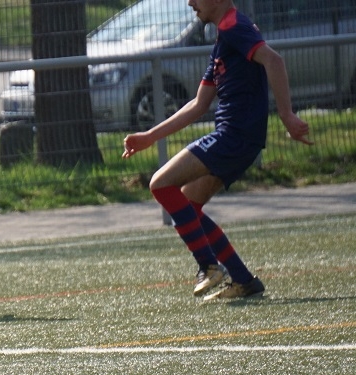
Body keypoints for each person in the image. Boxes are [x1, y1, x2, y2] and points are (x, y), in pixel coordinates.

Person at [122, 0, 312, 301]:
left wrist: (287, 115)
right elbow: (199, 104)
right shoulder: (225, 36)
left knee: (160, 184)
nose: (190, 2)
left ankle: (208, 265)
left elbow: (274, 60)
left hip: (234, 136)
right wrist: (149, 136)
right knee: (189, 204)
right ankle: (243, 280)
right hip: (239, 138)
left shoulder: (234, 26)